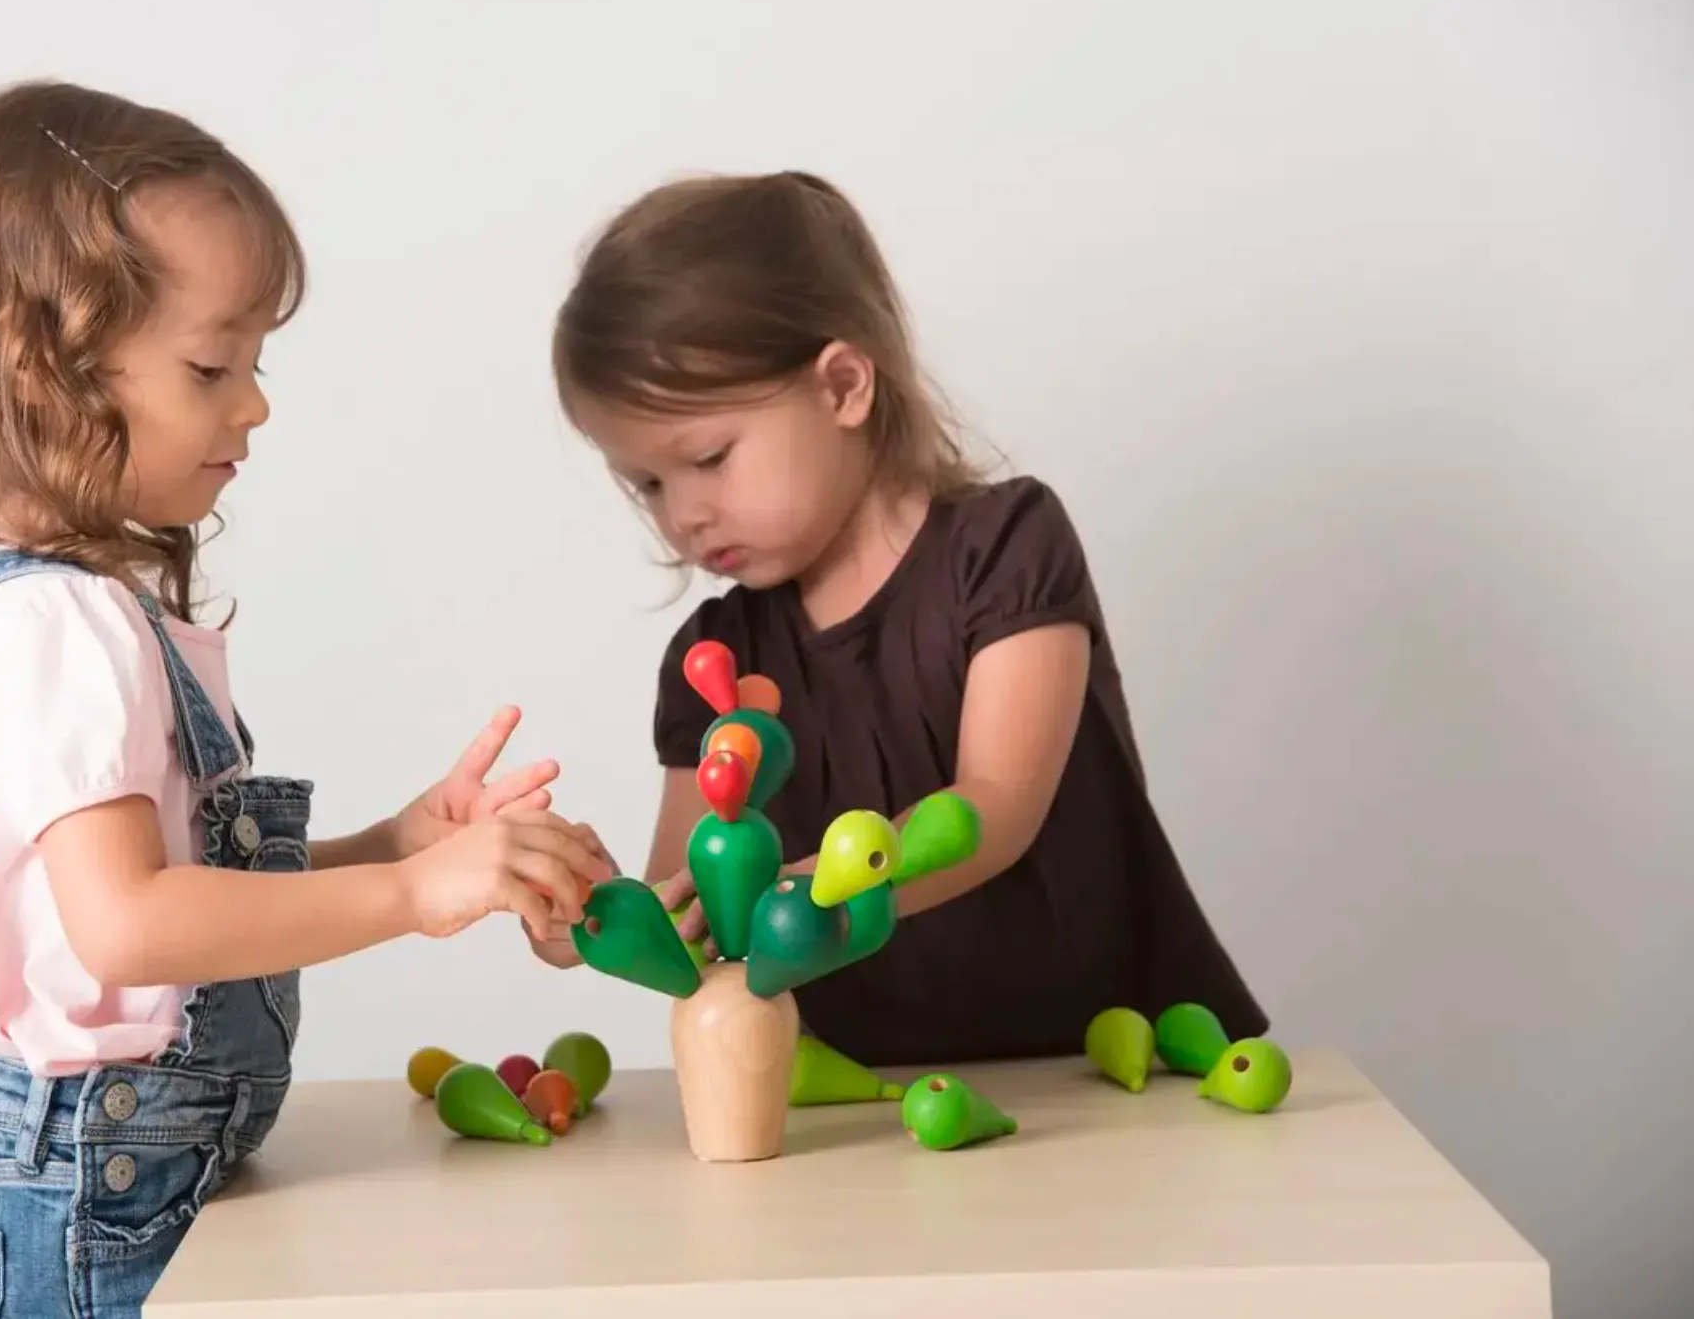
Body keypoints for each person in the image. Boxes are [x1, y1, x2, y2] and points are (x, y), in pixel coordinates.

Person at [0, 80, 612, 1318]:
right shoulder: (52, 621)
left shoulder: (40, 601)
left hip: (96, 1174)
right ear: (35, 368)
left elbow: (132, 919)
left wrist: (393, 841)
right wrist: (413, 895)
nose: (254, 404)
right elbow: (130, 927)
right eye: (213, 364)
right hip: (74, 1205)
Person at [533, 169, 1266, 1068]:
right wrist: (602, 919)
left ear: (842, 386)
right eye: (647, 483)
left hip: (1101, 1063)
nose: (682, 514)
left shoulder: (1006, 550)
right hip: (862, 1094)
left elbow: (993, 809)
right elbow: (691, 898)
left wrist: (799, 891)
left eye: (710, 458)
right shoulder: (716, 657)